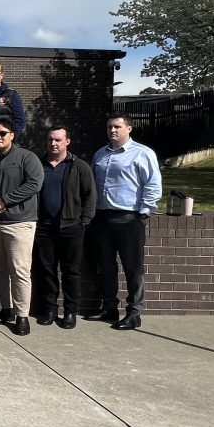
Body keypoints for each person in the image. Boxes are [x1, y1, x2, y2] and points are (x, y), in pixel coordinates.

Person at [88, 113, 162, 331]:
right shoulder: (100, 154)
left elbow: (153, 184)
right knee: (106, 266)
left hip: (129, 217)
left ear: (129, 129)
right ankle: (109, 307)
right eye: (110, 126)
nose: (113, 130)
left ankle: (134, 313)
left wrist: (144, 212)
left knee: (133, 268)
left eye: (118, 127)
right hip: (103, 217)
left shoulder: (142, 153)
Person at [0, 118, 43, 336]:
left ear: (12, 135)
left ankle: (22, 315)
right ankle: (7, 308)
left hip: (19, 223)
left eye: (3, 133)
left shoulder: (26, 157)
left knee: (20, 270)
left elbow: (34, 183)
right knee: (0, 270)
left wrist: (4, 201)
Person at [32, 126, 96, 329]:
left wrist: (84, 220)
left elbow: (90, 195)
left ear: (67, 141)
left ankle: (70, 311)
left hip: (71, 226)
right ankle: (50, 309)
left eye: (58, 140)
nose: (53, 143)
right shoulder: (38, 165)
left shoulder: (79, 166)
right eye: (51, 139)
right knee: (47, 271)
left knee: (71, 271)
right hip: (44, 227)